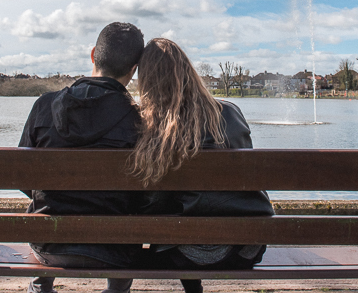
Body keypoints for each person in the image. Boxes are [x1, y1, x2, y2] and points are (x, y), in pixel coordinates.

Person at [130, 38, 274, 293]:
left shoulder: (153, 127)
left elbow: (151, 202)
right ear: (188, 71)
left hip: (182, 253)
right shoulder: (229, 112)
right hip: (245, 248)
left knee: (177, 226)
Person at [18, 22, 144, 293]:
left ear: (92, 55)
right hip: (114, 249)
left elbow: (23, 179)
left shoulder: (43, 106)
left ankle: (41, 288)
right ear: (133, 71)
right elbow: (145, 192)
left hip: (49, 244)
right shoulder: (141, 120)